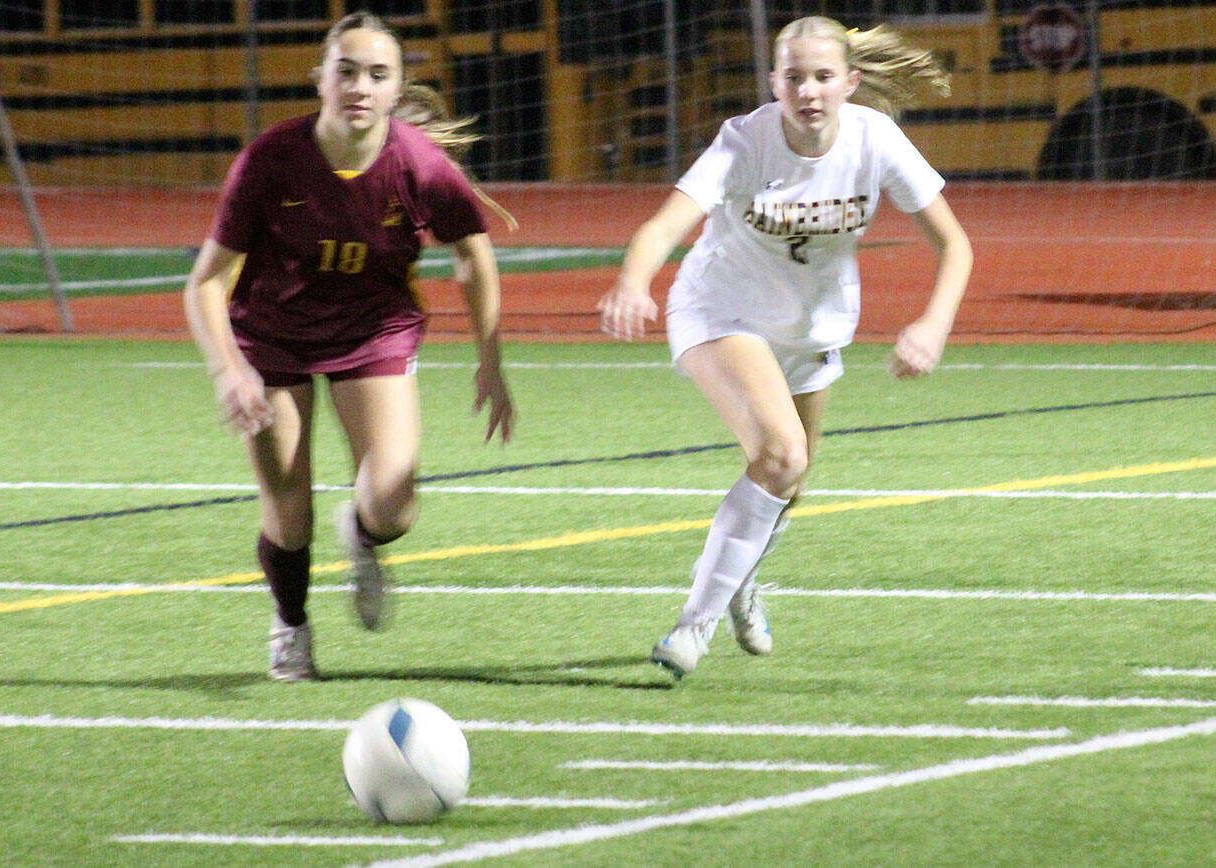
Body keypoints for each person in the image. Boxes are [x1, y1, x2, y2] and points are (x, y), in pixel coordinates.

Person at [597, 16, 972, 678]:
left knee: (786, 483)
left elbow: (955, 244)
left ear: (850, 83)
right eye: (793, 77)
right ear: (773, 82)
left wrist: (933, 325)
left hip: (810, 333)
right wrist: (632, 280)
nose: (808, 90)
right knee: (781, 453)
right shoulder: (745, 141)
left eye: (823, 76)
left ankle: (738, 572)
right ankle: (693, 626)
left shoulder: (875, 140)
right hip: (719, 311)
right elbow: (663, 226)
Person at [184, 12, 515, 682]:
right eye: (346, 70)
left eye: (377, 74)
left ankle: (363, 538)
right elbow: (204, 284)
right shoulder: (272, 161)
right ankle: (291, 625)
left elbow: (475, 260)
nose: (360, 85)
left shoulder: (419, 166)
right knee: (288, 510)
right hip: (274, 339)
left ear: (396, 91)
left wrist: (491, 360)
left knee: (394, 501)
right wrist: (229, 370)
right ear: (320, 81)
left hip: (373, 334)